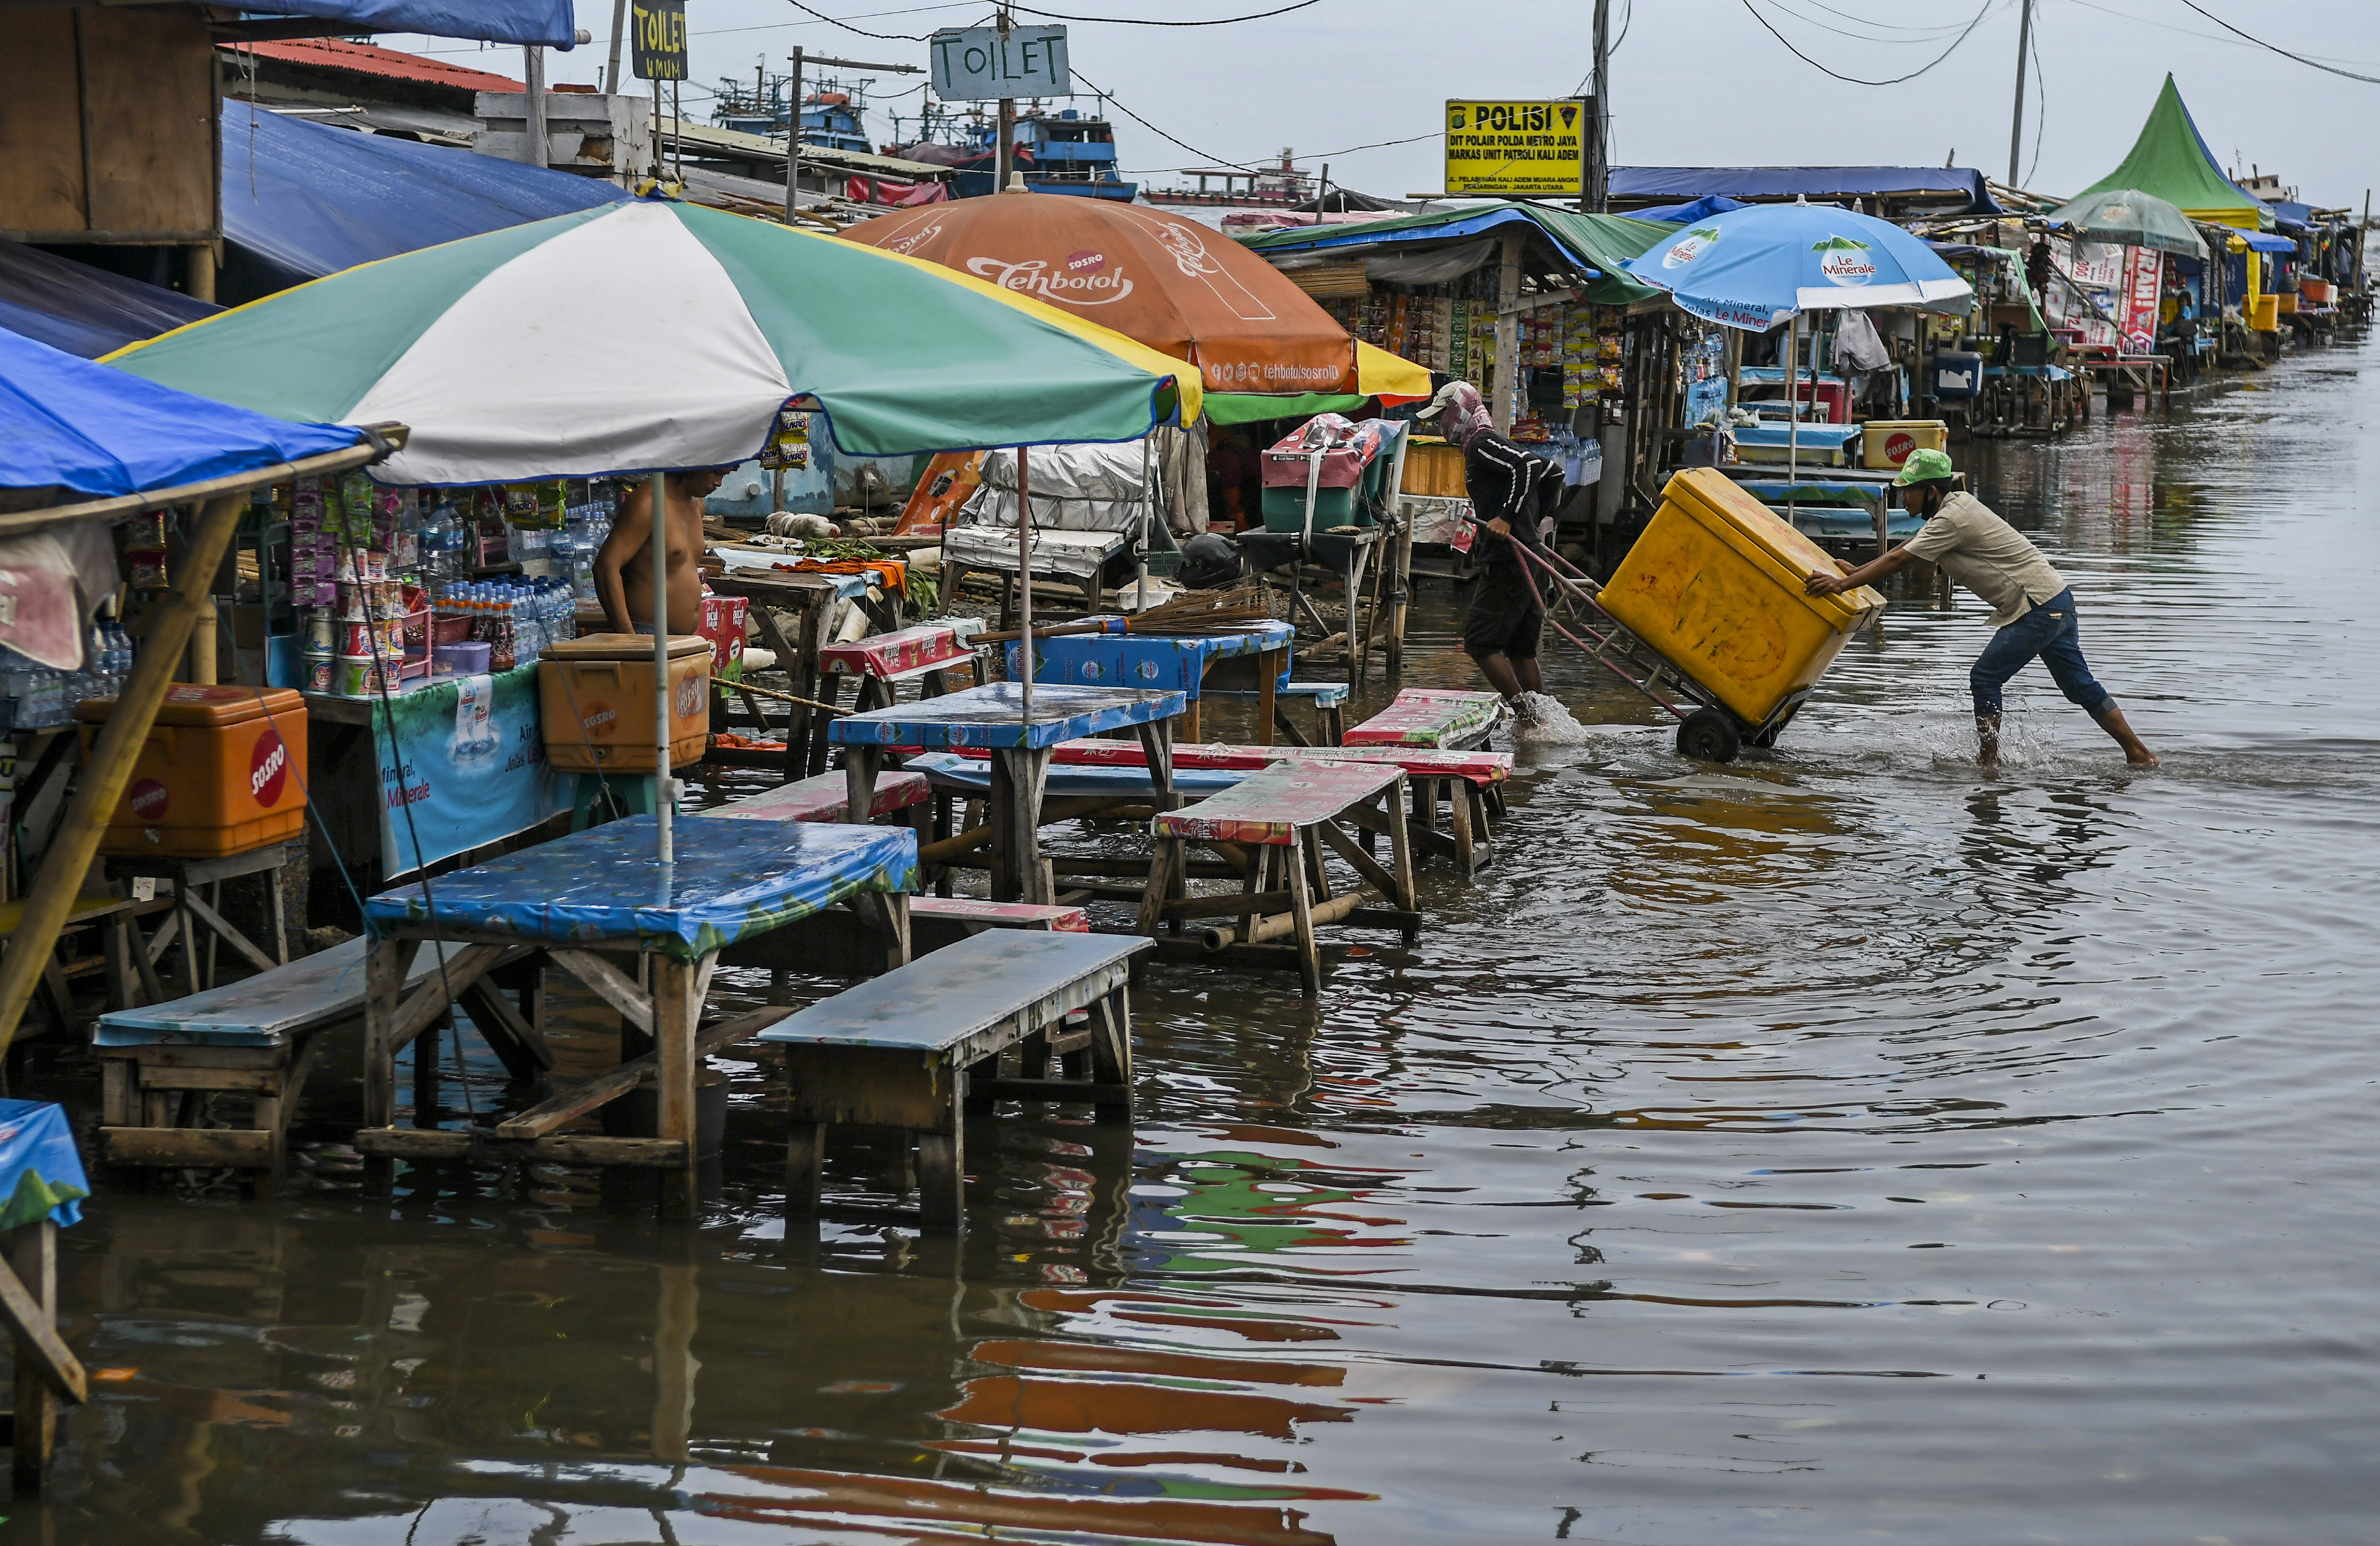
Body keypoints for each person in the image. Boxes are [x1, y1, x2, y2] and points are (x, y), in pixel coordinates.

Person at [1806, 449, 2156, 767]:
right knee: (2080, 687)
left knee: (1985, 677)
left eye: (1908, 490)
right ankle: (2138, 754)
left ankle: (1988, 764)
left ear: (1930, 492)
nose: (1903, 498)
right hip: (2056, 599)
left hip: (2036, 606)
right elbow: (1909, 547)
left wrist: (1840, 584)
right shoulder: (1955, 508)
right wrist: (1860, 574)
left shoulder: (1951, 518)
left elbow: (1900, 558)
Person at [1417, 380, 1565, 718]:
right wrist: (1533, 521)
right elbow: (1552, 472)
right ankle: (1540, 723)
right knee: (1520, 650)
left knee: (1480, 644)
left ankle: (1527, 718)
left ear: (1459, 412)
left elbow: (1529, 466)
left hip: (1509, 561)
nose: (1441, 425)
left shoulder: (1480, 443)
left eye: (1443, 416)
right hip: (1529, 557)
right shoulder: (1486, 443)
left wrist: (1509, 518)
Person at [594, 468, 724, 636]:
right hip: (647, 635)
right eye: (715, 472)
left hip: (684, 639)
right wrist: (628, 636)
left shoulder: (698, 505)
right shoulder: (649, 502)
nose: (719, 483)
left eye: (724, 475)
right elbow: (606, 567)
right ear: (696, 464)